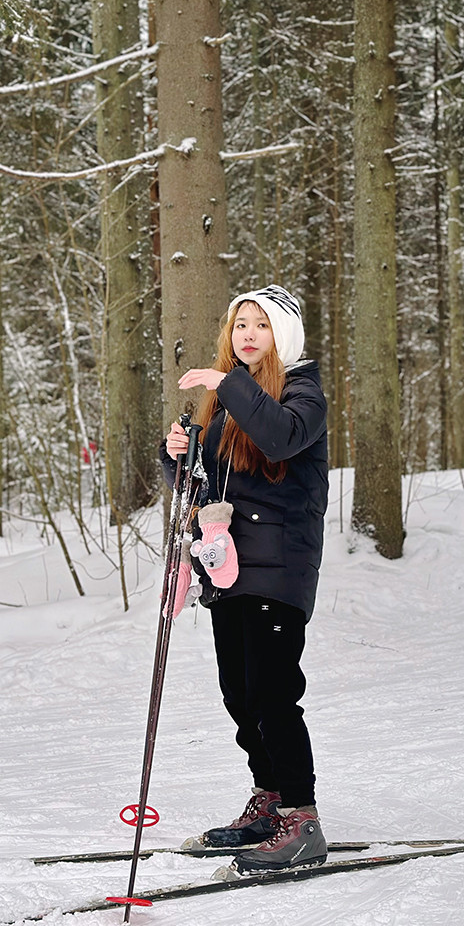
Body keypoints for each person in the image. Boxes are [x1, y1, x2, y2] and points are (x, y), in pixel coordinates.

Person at [161, 284, 329, 873]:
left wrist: (225, 383)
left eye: (260, 324)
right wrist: (177, 456)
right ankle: (270, 801)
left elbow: (279, 436)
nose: (248, 334)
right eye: (239, 325)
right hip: (227, 565)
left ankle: (302, 819)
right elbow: (203, 484)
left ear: (282, 334)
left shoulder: (303, 393)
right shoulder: (231, 399)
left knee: (273, 692)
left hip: (279, 563)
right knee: (239, 693)